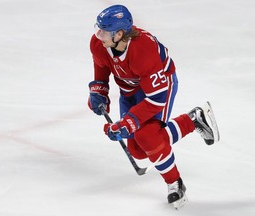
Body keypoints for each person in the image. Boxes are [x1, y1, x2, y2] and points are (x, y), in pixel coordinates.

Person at [87, 5, 220, 208]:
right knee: (139, 151)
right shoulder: (99, 44)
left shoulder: (143, 49)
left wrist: (128, 123)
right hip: (130, 91)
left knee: (147, 136)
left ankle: (175, 183)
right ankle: (191, 121)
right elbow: (102, 67)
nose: (99, 35)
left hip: (160, 88)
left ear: (120, 34)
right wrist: (99, 92)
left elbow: (156, 99)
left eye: (104, 31)